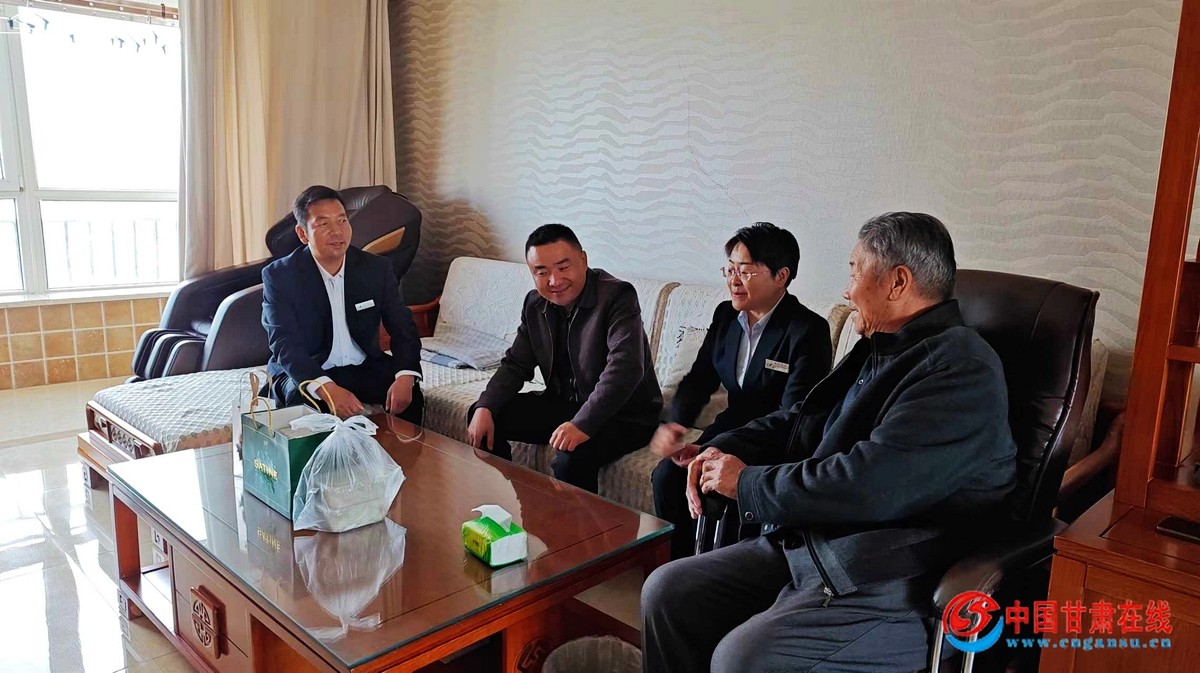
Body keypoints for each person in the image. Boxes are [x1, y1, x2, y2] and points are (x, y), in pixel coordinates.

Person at [641, 212, 1017, 672]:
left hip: (893, 573)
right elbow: (802, 421)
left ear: (898, 282)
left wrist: (748, 484)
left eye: (855, 272)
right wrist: (721, 451)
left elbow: (871, 482)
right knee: (669, 591)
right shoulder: (882, 348)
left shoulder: (959, 368)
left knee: (741, 658)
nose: (846, 290)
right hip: (819, 544)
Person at [649, 222, 831, 559]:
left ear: (781, 276)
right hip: (730, 427)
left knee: (718, 488)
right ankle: (680, 566)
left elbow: (795, 415)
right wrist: (675, 424)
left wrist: (715, 447)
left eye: (745, 272)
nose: (733, 280)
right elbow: (700, 378)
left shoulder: (808, 330)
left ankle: (725, 569)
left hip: (776, 442)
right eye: (730, 269)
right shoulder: (725, 316)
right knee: (666, 476)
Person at [467, 224, 662, 492]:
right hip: (564, 404)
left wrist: (582, 424)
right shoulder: (535, 304)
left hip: (623, 415)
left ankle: (575, 521)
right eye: (541, 272)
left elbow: (625, 367)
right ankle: (519, 501)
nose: (554, 280)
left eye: (563, 267)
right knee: (484, 415)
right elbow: (516, 364)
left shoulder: (617, 296)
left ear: (583, 260)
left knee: (571, 458)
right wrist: (486, 406)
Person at [261, 185, 423, 422]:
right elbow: (284, 343)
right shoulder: (280, 276)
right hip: (310, 370)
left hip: (363, 366)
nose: (337, 231)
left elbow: (402, 327)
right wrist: (327, 389)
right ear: (303, 234)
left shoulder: (376, 269)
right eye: (323, 224)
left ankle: (400, 449)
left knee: (411, 393)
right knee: (301, 401)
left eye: (342, 221)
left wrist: (405, 376)